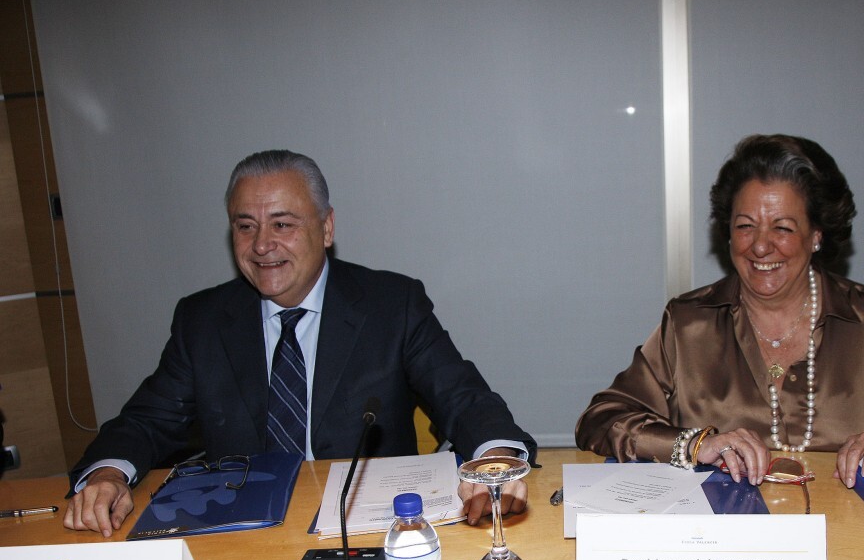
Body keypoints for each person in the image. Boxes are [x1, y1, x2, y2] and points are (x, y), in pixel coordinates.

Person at [66, 149, 535, 536]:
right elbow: (146, 420)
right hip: (240, 531)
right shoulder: (203, 320)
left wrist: (496, 458)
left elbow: (462, 397)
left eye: (282, 224)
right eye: (245, 226)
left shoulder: (392, 304)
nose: (261, 245)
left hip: (373, 529)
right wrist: (107, 474)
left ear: (326, 228)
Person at [576, 134, 864, 488]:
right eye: (745, 225)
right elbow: (601, 420)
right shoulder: (689, 323)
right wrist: (696, 444)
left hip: (860, 536)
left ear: (816, 235)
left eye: (783, 228)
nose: (760, 246)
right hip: (724, 540)